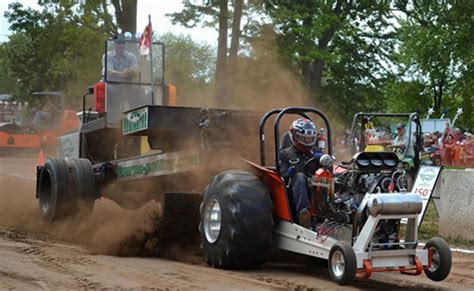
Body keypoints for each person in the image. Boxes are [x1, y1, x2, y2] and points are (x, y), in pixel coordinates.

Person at [279, 118, 322, 229]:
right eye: (304, 139)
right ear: (294, 137)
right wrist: (288, 173)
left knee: (330, 176)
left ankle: (340, 210)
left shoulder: (316, 153)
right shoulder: (284, 154)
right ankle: (304, 214)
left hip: (315, 189)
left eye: (310, 139)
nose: (307, 143)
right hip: (293, 193)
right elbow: (281, 176)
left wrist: (323, 161)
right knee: (299, 176)